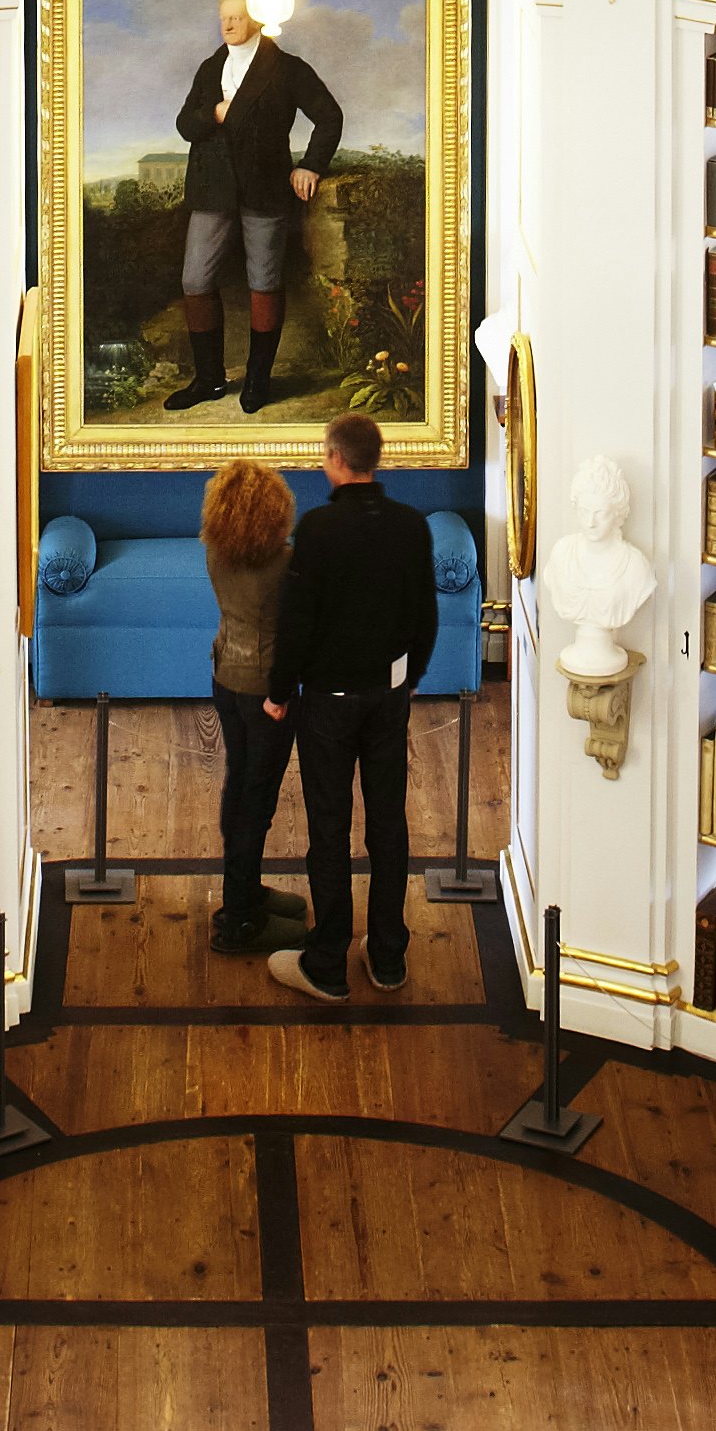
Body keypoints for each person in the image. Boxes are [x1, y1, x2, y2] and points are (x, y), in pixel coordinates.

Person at [267, 411, 439, 999]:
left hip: (328, 706)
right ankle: (388, 958)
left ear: (337, 460)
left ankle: (327, 964)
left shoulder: (316, 530)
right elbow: (426, 615)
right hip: (389, 698)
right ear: (376, 459)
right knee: (389, 826)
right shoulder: (412, 526)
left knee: (330, 830)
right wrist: (411, 675)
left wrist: (277, 692)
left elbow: (296, 623)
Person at [170, 0, 344, 413]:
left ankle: (258, 380)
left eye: (238, 16)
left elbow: (329, 117)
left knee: (264, 283)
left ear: (259, 19)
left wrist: (310, 165)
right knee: (195, 281)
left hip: (265, 187)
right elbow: (185, 125)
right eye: (224, 16)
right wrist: (213, 113)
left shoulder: (287, 68)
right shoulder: (211, 68)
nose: (228, 24)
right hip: (213, 188)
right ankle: (209, 380)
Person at [199, 457, 305, 952]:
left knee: (238, 785)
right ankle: (240, 920)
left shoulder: (215, 554)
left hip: (225, 677)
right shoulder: (285, 563)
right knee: (256, 802)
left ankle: (243, 893)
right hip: (267, 693)